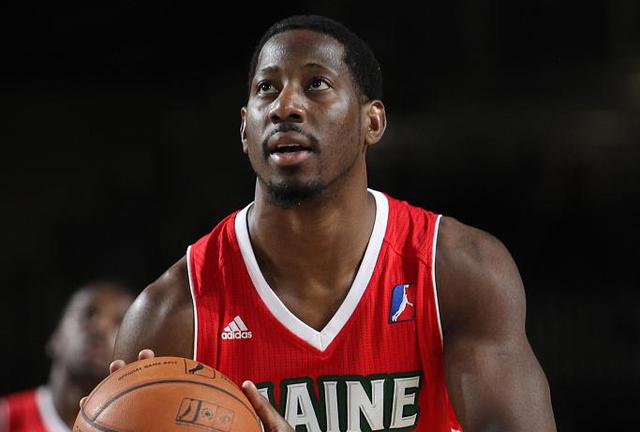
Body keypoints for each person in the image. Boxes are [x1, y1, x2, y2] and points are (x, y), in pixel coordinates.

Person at [111, 15, 557, 431]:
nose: (285, 106)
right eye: (266, 88)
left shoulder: (456, 272)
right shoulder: (171, 316)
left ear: (372, 122)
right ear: (246, 129)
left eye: (316, 84)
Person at [0, 280, 134, 432]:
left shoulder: (137, 426)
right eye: (88, 314)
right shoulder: (5, 419)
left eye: (119, 322)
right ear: (55, 337)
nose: (100, 327)